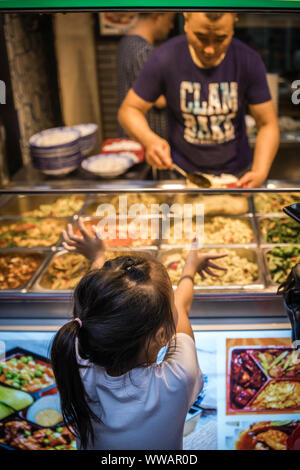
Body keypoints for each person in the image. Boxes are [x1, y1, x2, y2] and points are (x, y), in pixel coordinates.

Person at [50, 217, 227, 450]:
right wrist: (189, 271)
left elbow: (96, 305)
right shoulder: (177, 379)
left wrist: (98, 257)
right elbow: (180, 306)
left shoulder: (74, 356)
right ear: (163, 335)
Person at [118, 12, 280, 188]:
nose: (209, 49)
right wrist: (150, 140)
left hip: (237, 177)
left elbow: (267, 124)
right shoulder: (164, 57)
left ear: (234, 23)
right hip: (183, 175)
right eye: (200, 37)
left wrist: (260, 171)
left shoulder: (248, 60)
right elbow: (129, 110)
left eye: (220, 38)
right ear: (186, 20)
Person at [117, 12, 176, 139]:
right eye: (170, 19)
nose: (171, 26)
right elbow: (160, 101)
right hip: (146, 136)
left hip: (133, 134)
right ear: (157, 16)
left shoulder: (126, 41)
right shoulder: (143, 51)